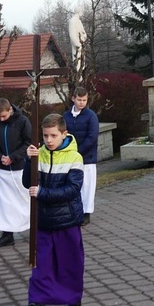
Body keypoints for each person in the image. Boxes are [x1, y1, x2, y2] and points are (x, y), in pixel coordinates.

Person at [12, 114, 85, 306]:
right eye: (45, 136)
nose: (49, 140)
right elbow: (28, 182)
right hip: (43, 221)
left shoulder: (74, 157)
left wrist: (44, 192)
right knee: (40, 265)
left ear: (64, 134)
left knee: (68, 264)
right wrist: (29, 160)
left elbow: (72, 190)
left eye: (53, 135)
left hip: (66, 220)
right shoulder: (39, 153)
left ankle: (74, 304)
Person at [0, 98, 32, 248]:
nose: (1, 119)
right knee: (4, 204)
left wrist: (13, 157)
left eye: (4, 116)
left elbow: (28, 142)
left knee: (25, 200)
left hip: (20, 168)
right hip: (4, 170)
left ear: (10, 110)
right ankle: (7, 234)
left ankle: (37, 227)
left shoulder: (22, 121)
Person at [63, 87, 99, 226]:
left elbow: (92, 137)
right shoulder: (66, 116)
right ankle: (73, 211)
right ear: (73, 99)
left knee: (87, 185)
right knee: (72, 184)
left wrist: (79, 151)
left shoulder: (91, 116)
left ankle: (86, 213)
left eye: (84, 100)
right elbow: (64, 134)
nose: (82, 103)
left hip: (87, 157)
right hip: (71, 157)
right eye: (79, 100)